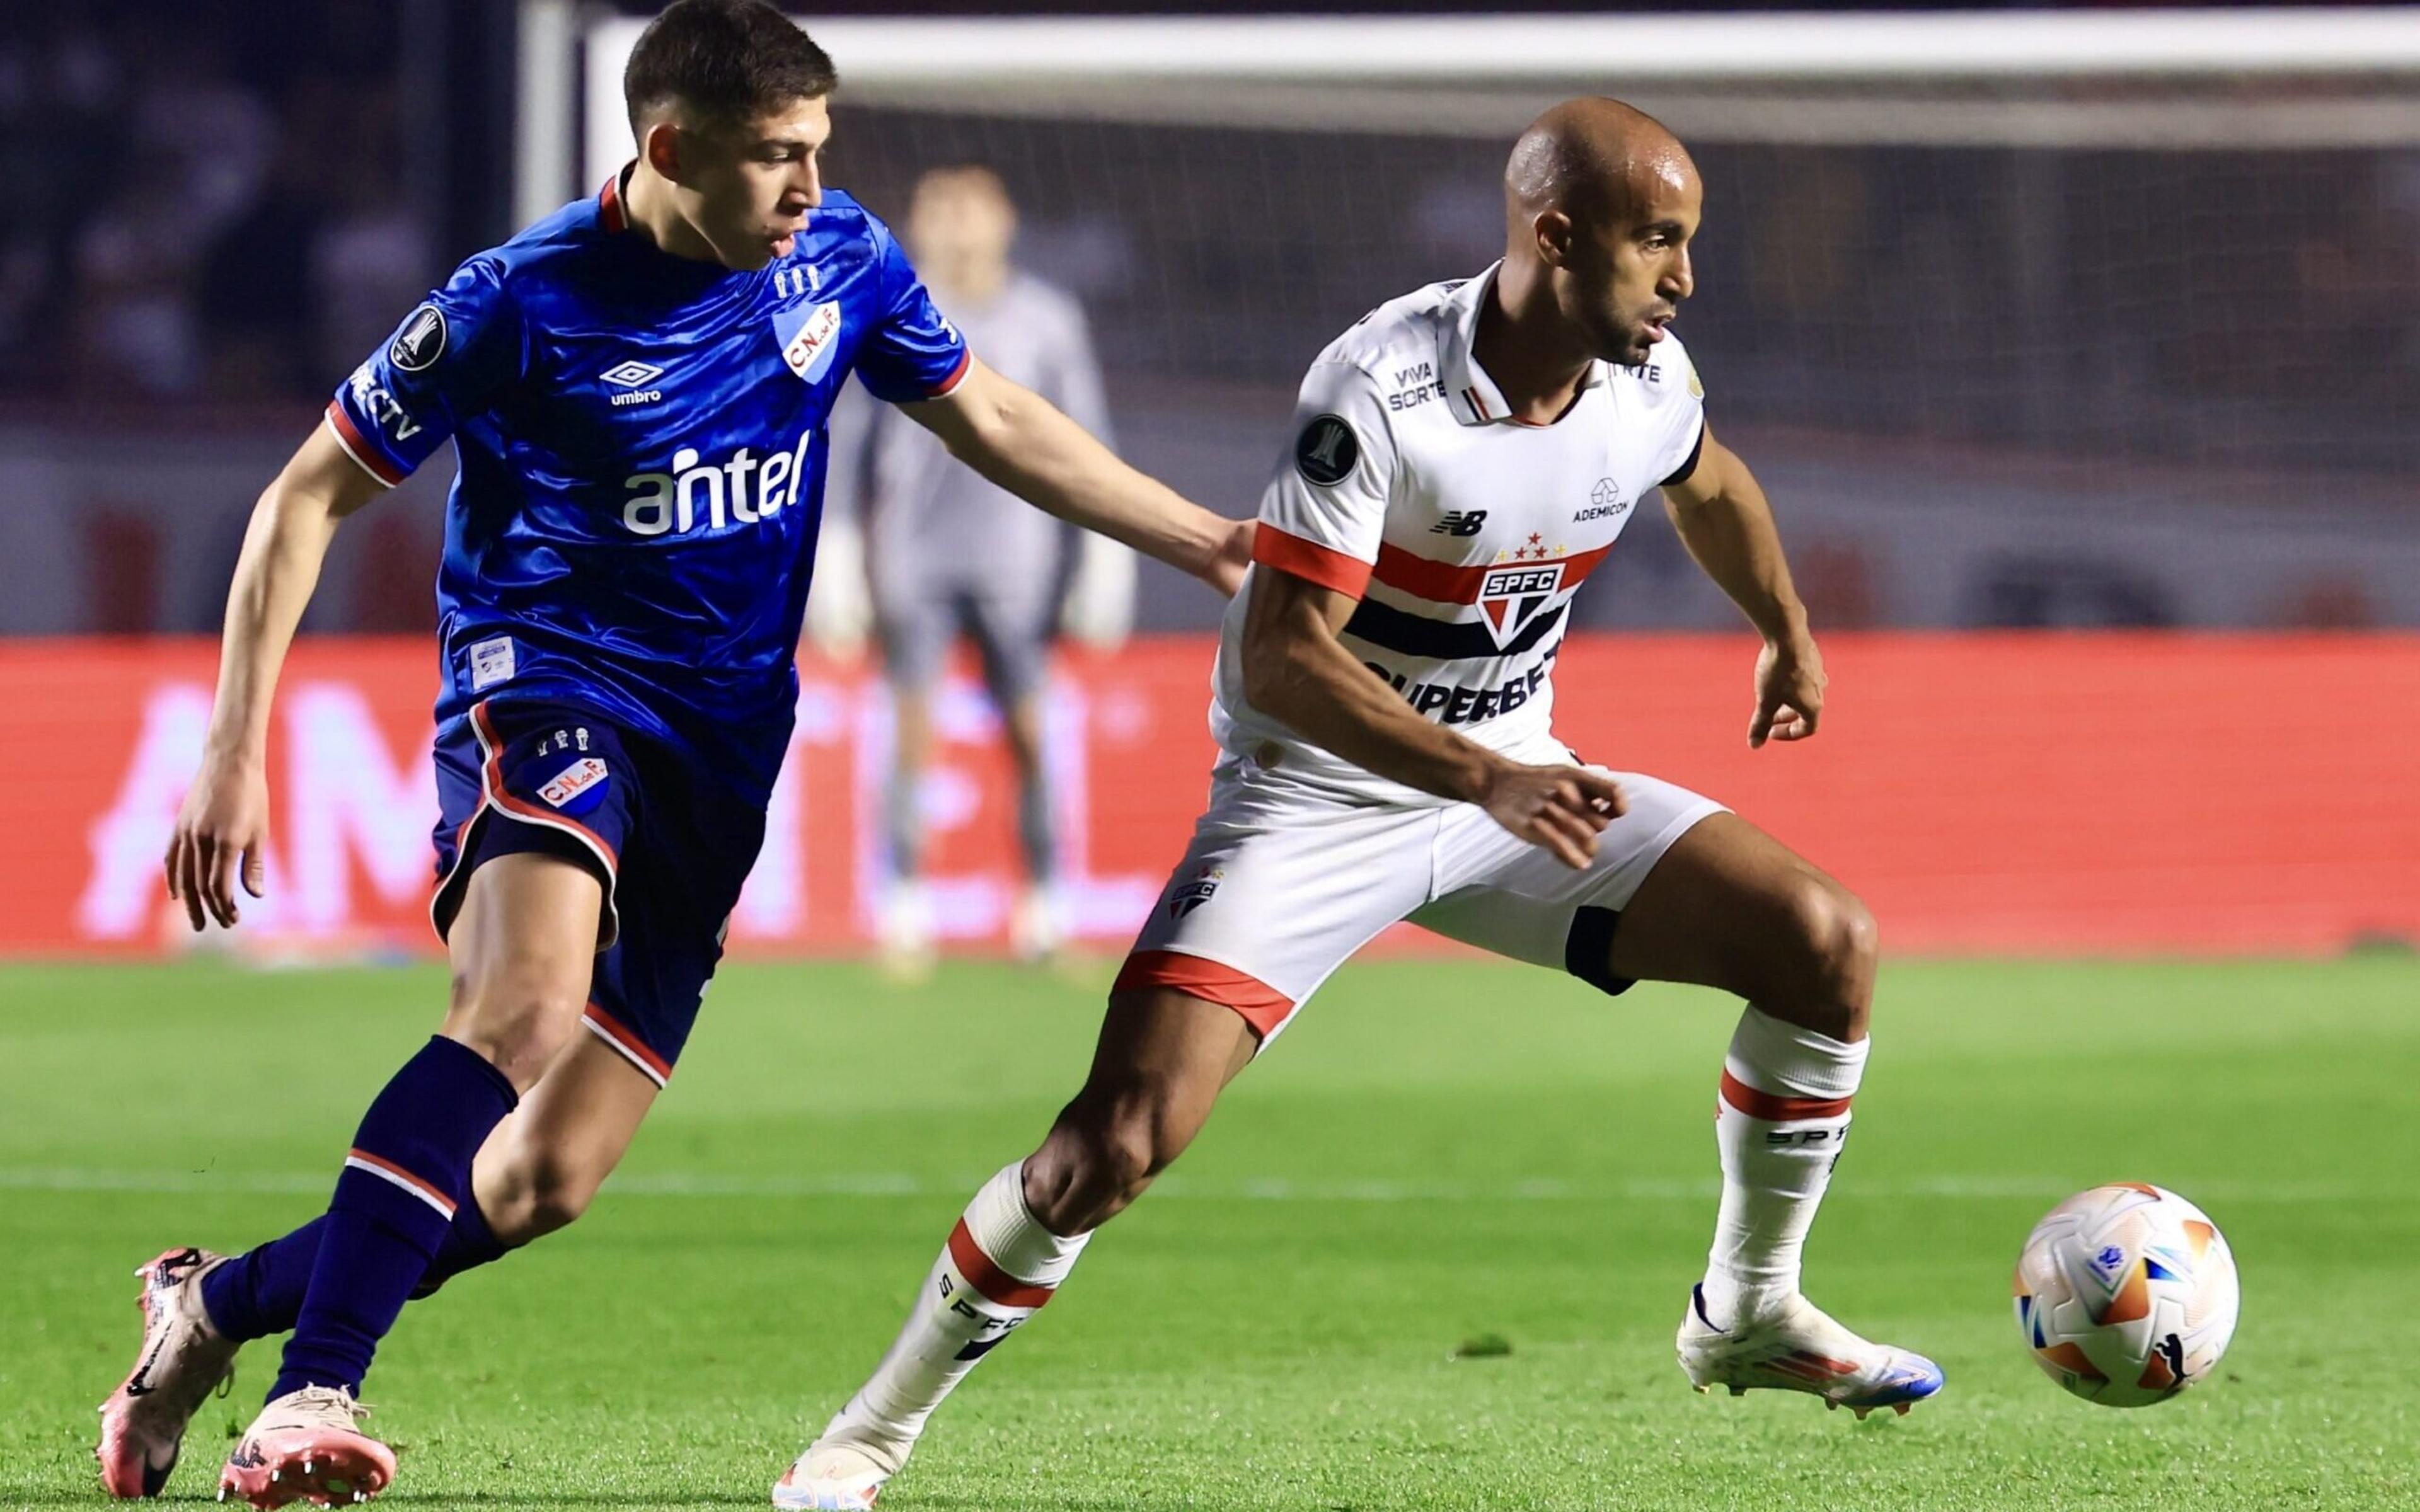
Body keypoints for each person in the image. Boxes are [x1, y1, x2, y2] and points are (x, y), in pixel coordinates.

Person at [92, 3, 1245, 1506]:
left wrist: (1209, 539)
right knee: (518, 1001)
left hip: (719, 750)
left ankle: (214, 1309)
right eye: (774, 156)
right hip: (550, 692)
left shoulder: (837, 263)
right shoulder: (517, 300)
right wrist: (232, 746)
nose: (806, 188)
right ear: (666, 148)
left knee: (539, 1179)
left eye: (817, 150)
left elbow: (992, 413)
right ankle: (313, 1392)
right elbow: (303, 496)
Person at [772, 97, 1942, 1511]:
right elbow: (1283, 654)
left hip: (1514, 784)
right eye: (1657, 243)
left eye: (1687, 244)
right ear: (1554, 236)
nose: (1683, 278)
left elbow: (1711, 482)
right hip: (1315, 799)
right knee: (1112, 1145)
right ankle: (870, 1433)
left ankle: (1748, 1310)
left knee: (1826, 946)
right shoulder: (1381, 390)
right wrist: (1488, 776)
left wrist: (1784, 626)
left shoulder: (1645, 377)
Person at [810, 164, 1131, 971]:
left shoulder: (1045, 319)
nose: (954, 230)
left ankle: (1048, 908)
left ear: (1004, 221)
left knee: (1028, 730)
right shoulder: (884, 307)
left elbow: (1085, 438)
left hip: (1013, 554)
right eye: (938, 214)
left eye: (969, 214)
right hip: (914, 553)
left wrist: (1102, 560)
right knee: (913, 728)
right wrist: (839, 559)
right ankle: (905, 906)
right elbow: (847, 443)